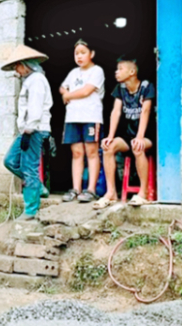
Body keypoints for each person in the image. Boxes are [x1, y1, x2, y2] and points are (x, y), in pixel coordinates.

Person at [94, 58, 156, 208]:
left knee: (138, 146)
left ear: (132, 72)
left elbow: (146, 111)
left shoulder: (147, 86)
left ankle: (143, 193)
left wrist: (140, 136)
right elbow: (116, 112)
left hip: (146, 136)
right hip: (128, 137)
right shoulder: (120, 88)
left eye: (120, 69)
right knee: (108, 147)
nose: (116, 72)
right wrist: (110, 136)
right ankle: (111, 193)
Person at [1, 45, 53, 220]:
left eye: (17, 65)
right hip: (27, 130)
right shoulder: (29, 80)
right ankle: (38, 187)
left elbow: (35, 109)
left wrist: (29, 131)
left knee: (29, 167)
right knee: (9, 160)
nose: (16, 69)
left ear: (25, 64)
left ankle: (30, 210)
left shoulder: (37, 80)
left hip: (34, 130)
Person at [59, 40, 105, 203]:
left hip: (91, 117)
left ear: (91, 54)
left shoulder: (97, 71)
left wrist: (67, 95)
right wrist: (65, 92)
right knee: (77, 153)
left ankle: (91, 189)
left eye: (83, 52)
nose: (79, 56)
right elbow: (62, 87)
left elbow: (86, 91)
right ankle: (76, 189)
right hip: (72, 118)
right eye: (76, 53)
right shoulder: (73, 73)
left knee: (92, 153)